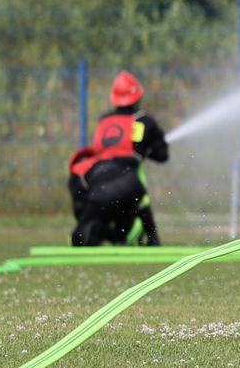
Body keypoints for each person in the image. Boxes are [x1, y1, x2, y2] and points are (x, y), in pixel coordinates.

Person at [69, 69, 170, 246]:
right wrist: (147, 150)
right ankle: (149, 236)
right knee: (139, 195)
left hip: (98, 185)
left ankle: (103, 232)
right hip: (129, 184)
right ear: (137, 96)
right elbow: (162, 155)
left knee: (81, 237)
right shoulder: (144, 120)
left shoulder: (104, 121)